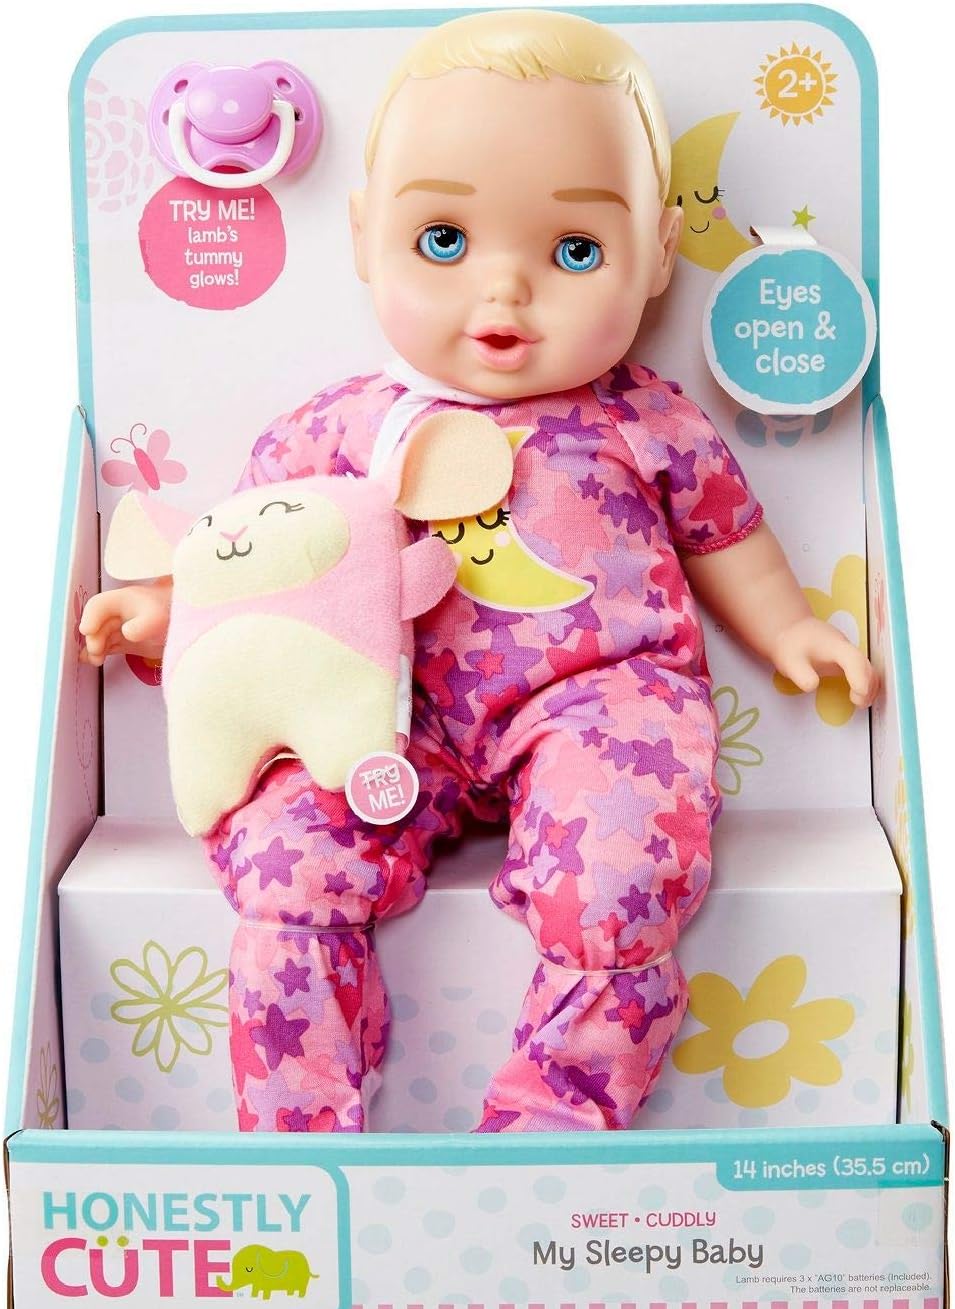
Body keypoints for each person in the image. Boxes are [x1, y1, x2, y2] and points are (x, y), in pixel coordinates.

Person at [81, 10, 878, 1135]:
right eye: (445, 241)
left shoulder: (643, 417)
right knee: (285, 859)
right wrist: (167, 605)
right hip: (377, 709)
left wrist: (790, 626)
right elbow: (250, 557)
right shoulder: (342, 429)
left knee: (621, 867)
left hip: (600, 702)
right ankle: (303, 1139)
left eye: (574, 251)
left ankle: (551, 1125)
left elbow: (723, 534)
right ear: (365, 236)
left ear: (658, 253)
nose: (503, 295)